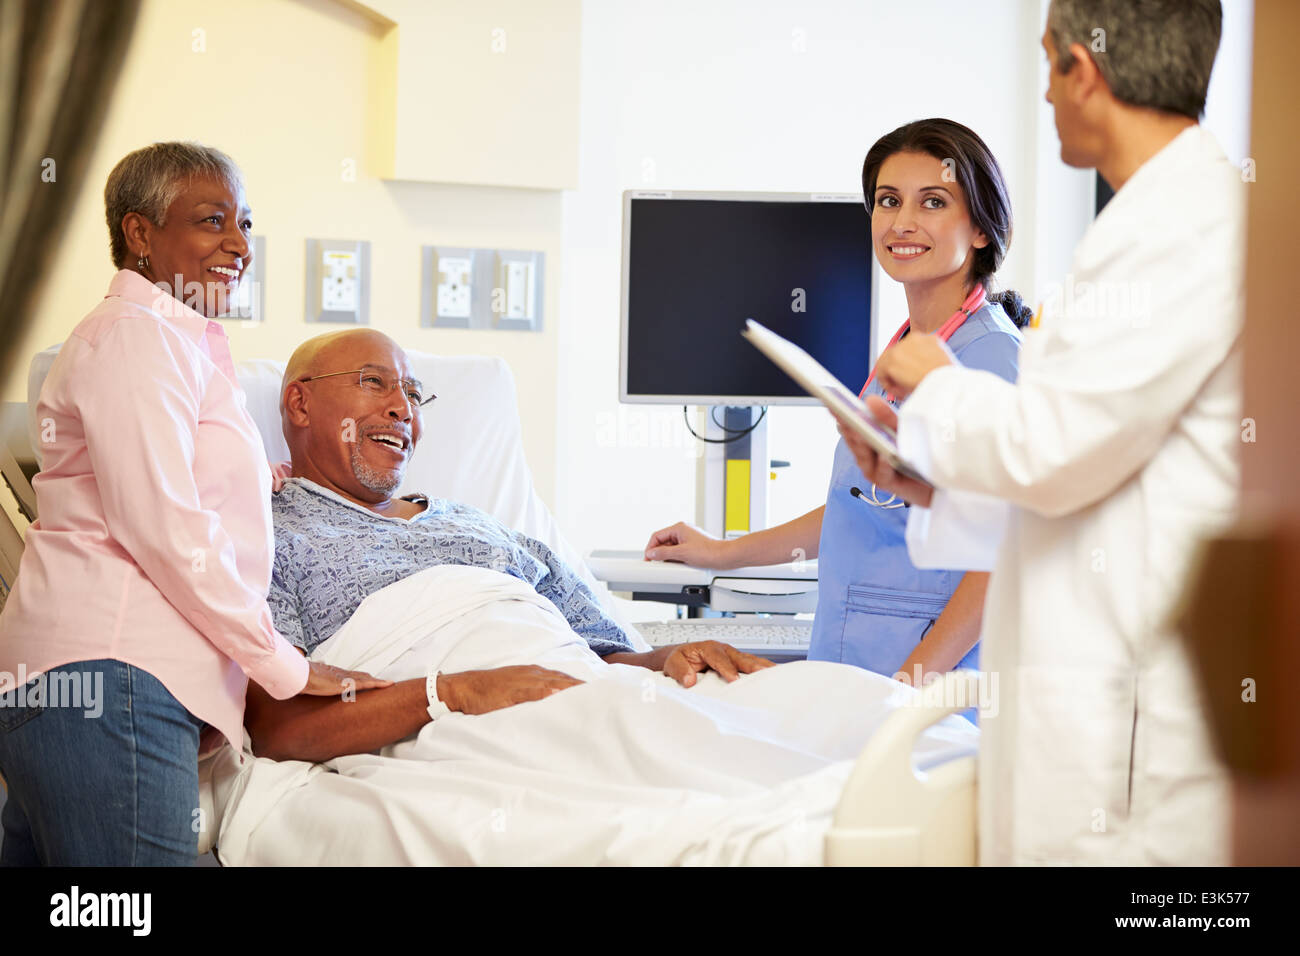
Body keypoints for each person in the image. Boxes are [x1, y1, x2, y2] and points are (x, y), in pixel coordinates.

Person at [836, 0, 1239, 865]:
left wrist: (937, 386)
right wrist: (929, 482)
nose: (1049, 94)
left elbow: (1051, 453)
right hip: (1088, 661)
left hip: (1131, 695)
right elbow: (1096, 470)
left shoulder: (1178, 233)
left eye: (1049, 64)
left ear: (1080, 71)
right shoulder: (1152, 223)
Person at [0, 143, 384, 866]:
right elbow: (165, 527)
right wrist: (285, 666)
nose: (239, 245)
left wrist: (261, 480)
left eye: (244, 223)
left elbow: (162, 481)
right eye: (213, 221)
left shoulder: (171, 344)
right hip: (113, 679)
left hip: (74, 683)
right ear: (140, 234)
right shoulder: (135, 340)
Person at [247, 329, 775, 762]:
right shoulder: (268, 534)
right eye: (374, 383)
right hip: (464, 734)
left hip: (581, 699)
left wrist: (670, 658)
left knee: (783, 727)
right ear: (299, 403)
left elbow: (604, 657)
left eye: (411, 392)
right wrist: (454, 691)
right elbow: (279, 728)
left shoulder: (484, 527)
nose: (402, 409)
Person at [645, 119, 1031, 689]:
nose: (903, 222)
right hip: (856, 663)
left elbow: (1002, 553)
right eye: (887, 200)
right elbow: (859, 509)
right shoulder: (906, 349)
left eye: (932, 202)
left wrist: (910, 683)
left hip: (924, 686)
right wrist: (721, 553)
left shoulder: (989, 355)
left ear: (979, 228)